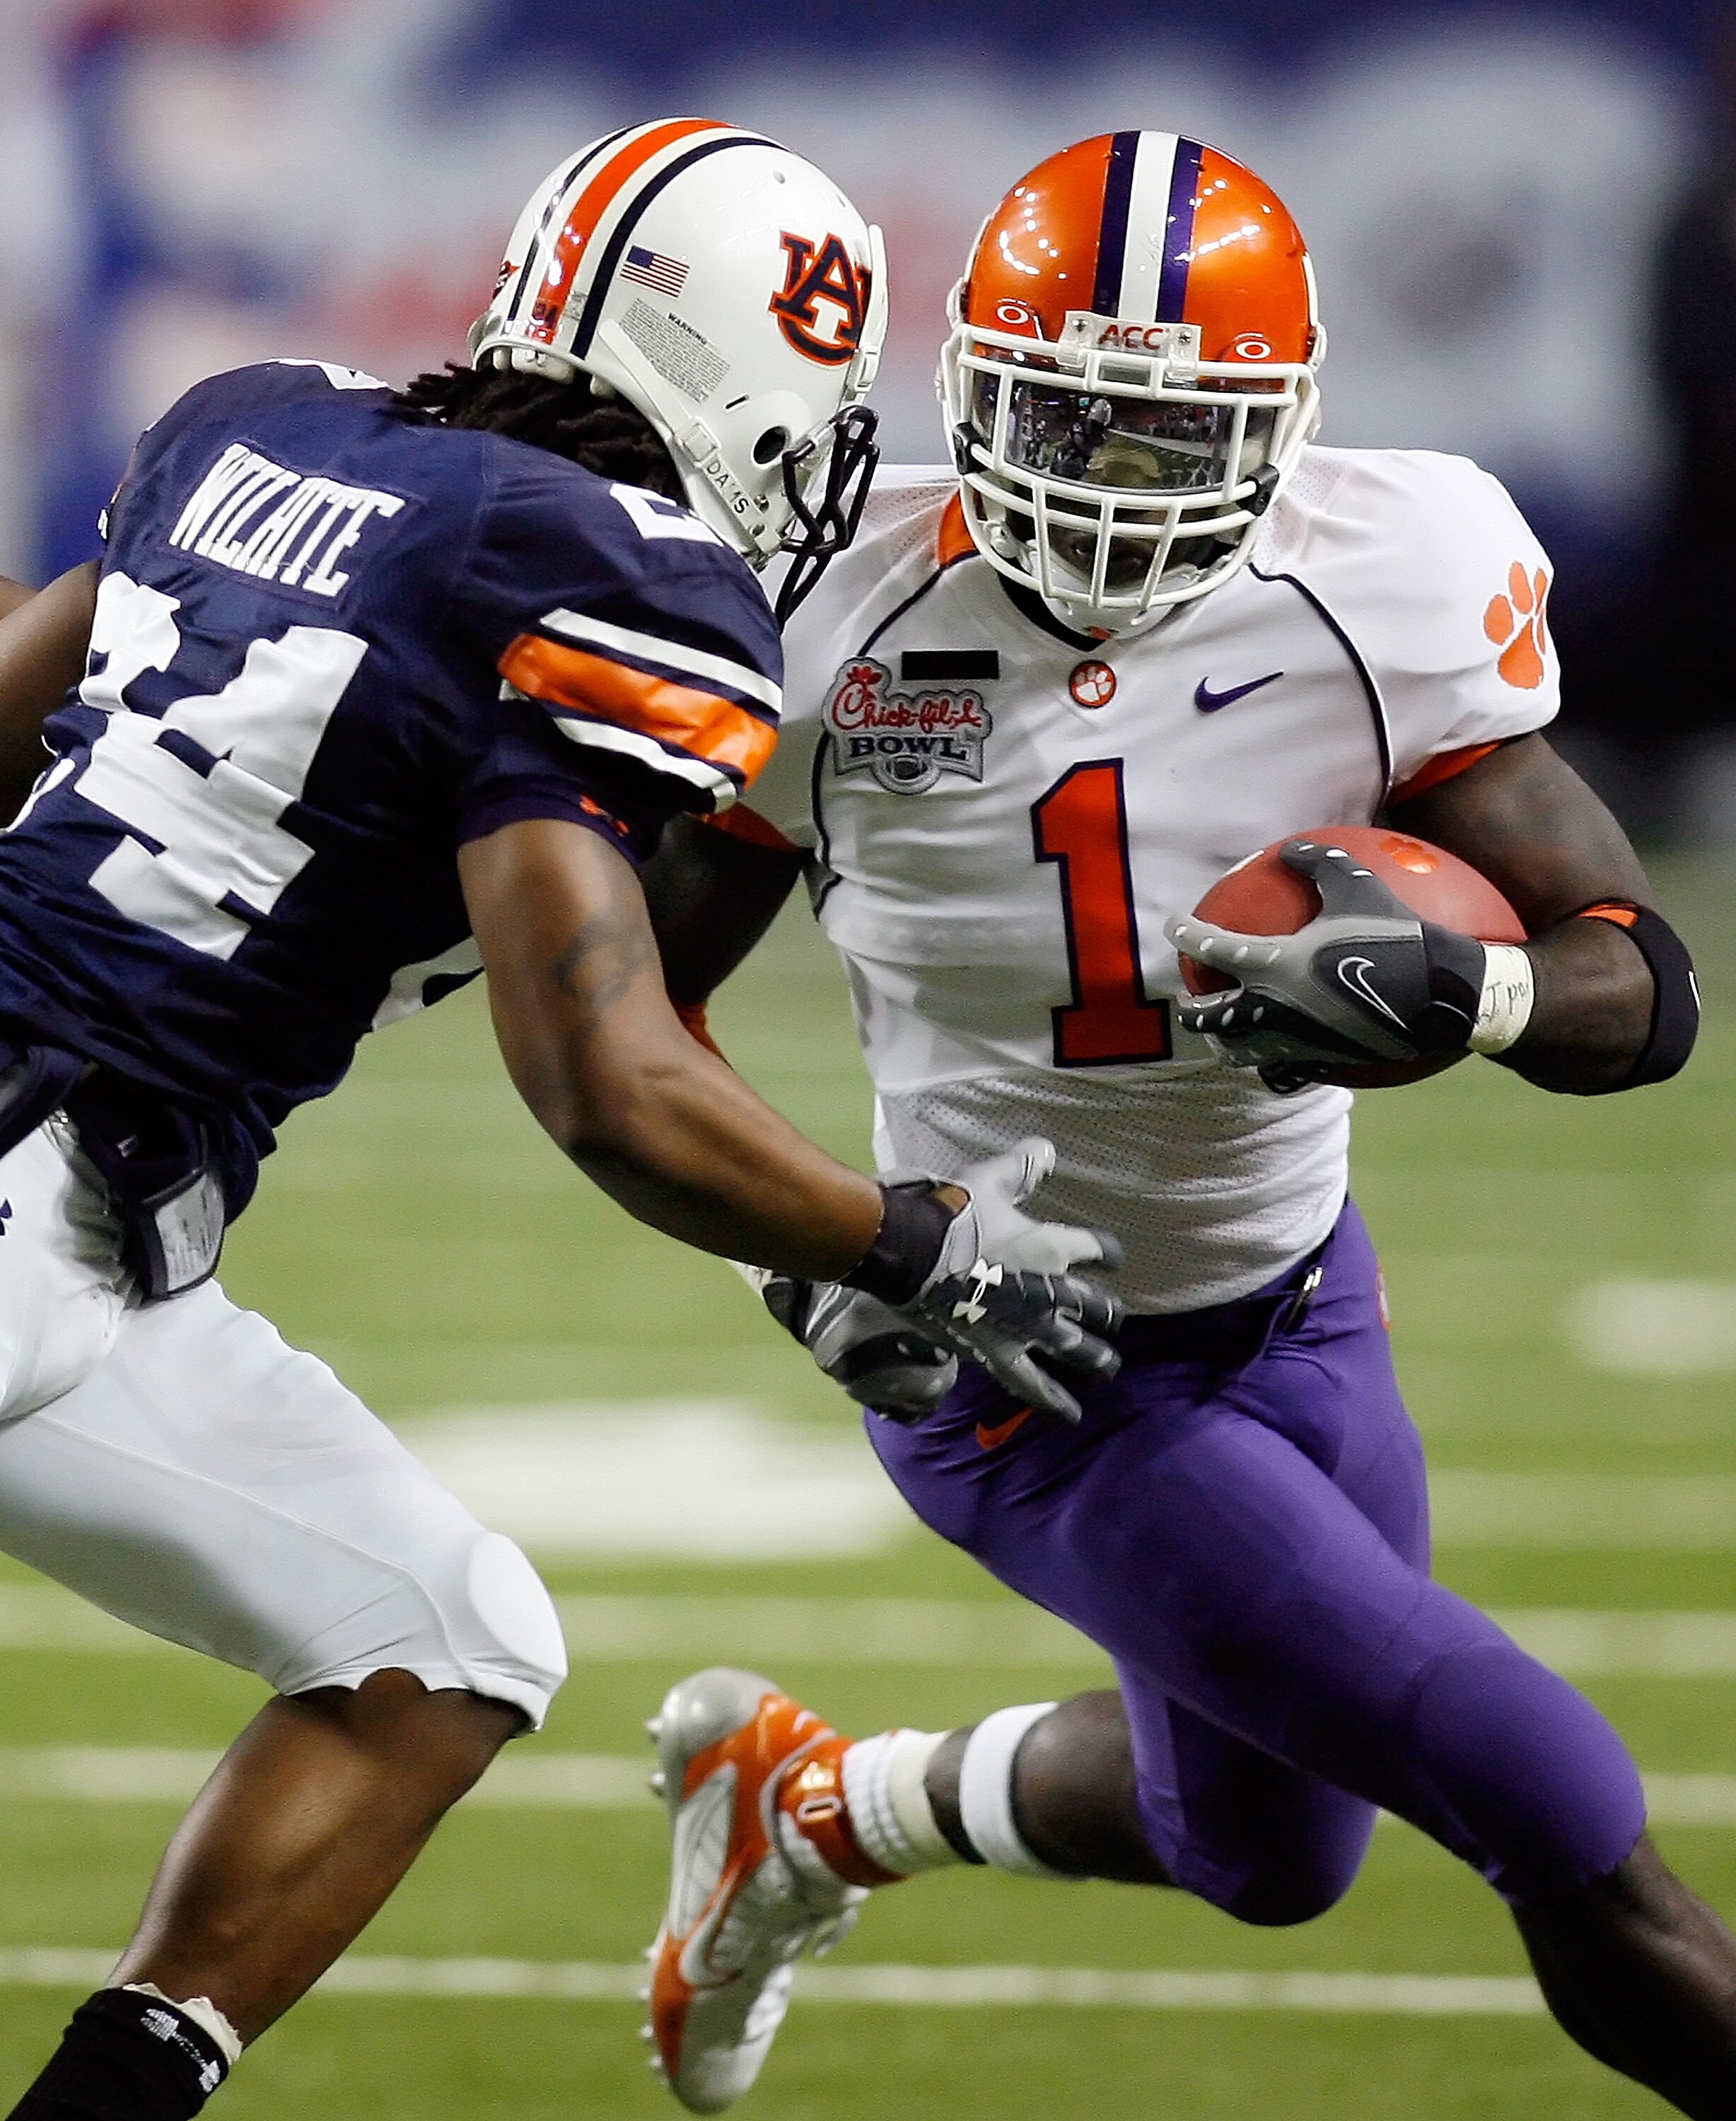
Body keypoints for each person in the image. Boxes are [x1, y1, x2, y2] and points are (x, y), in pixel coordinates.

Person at [636, 134, 1736, 2121]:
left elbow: (1640, 978)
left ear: (1290, 424)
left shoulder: (1391, 580)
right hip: (1010, 1352)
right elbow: (615, 1014)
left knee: (1267, 1854)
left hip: (1300, 1304)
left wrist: (1486, 994)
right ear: (969, 387)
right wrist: (805, 1250)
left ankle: (817, 1810)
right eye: (1063, 414)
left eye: (1172, 434)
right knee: (1546, 1789)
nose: (1106, 475)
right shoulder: (820, 620)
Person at [0, 118, 1120, 2121]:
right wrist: (907, 1238)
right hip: (38, 1179)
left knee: (433, 1639)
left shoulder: (266, 423)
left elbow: (23, 694)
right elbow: (601, 1073)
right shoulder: (620, 576)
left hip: (89, 1234)